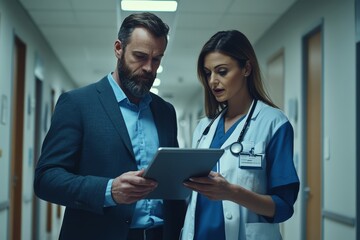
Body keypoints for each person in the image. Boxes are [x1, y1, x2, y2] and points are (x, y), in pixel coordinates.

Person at [34, 12, 186, 240]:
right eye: (140, 56)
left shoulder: (165, 111)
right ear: (118, 48)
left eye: (156, 59)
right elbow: (47, 179)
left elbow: (170, 181)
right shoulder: (77, 104)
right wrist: (109, 190)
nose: (148, 68)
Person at [181, 30, 300, 240]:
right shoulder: (204, 128)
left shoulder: (273, 123)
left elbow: (283, 207)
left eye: (222, 71)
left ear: (246, 68)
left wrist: (232, 192)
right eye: (208, 73)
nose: (212, 81)